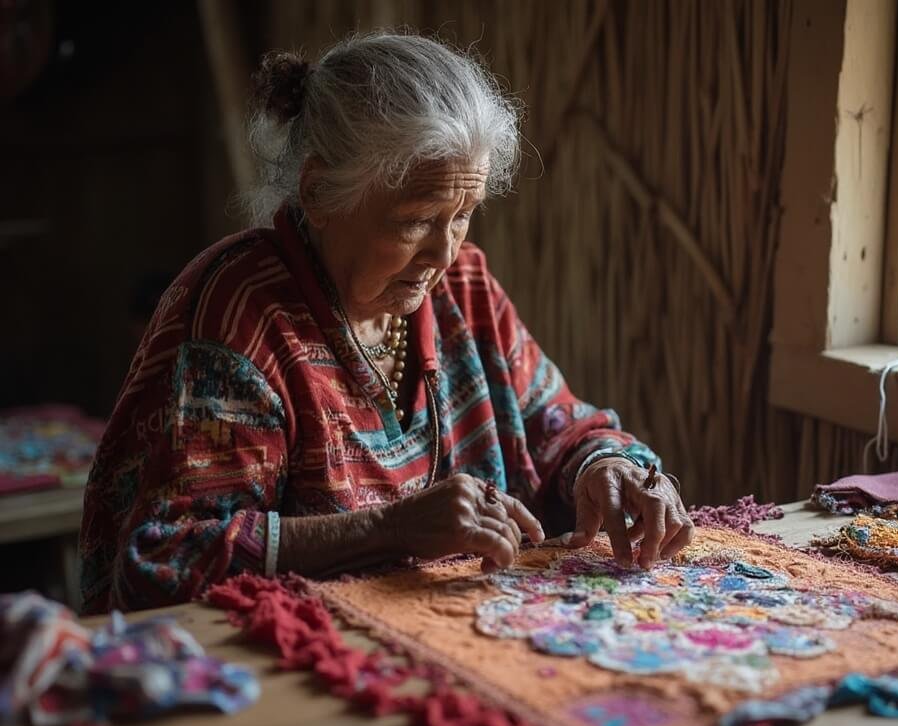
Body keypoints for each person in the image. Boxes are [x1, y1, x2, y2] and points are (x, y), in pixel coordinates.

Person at [80, 33, 692, 613]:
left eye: (463, 215)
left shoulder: (465, 288)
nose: (444, 253)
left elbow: (562, 428)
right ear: (319, 193)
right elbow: (168, 558)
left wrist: (609, 469)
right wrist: (390, 528)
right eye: (416, 219)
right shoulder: (241, 316)